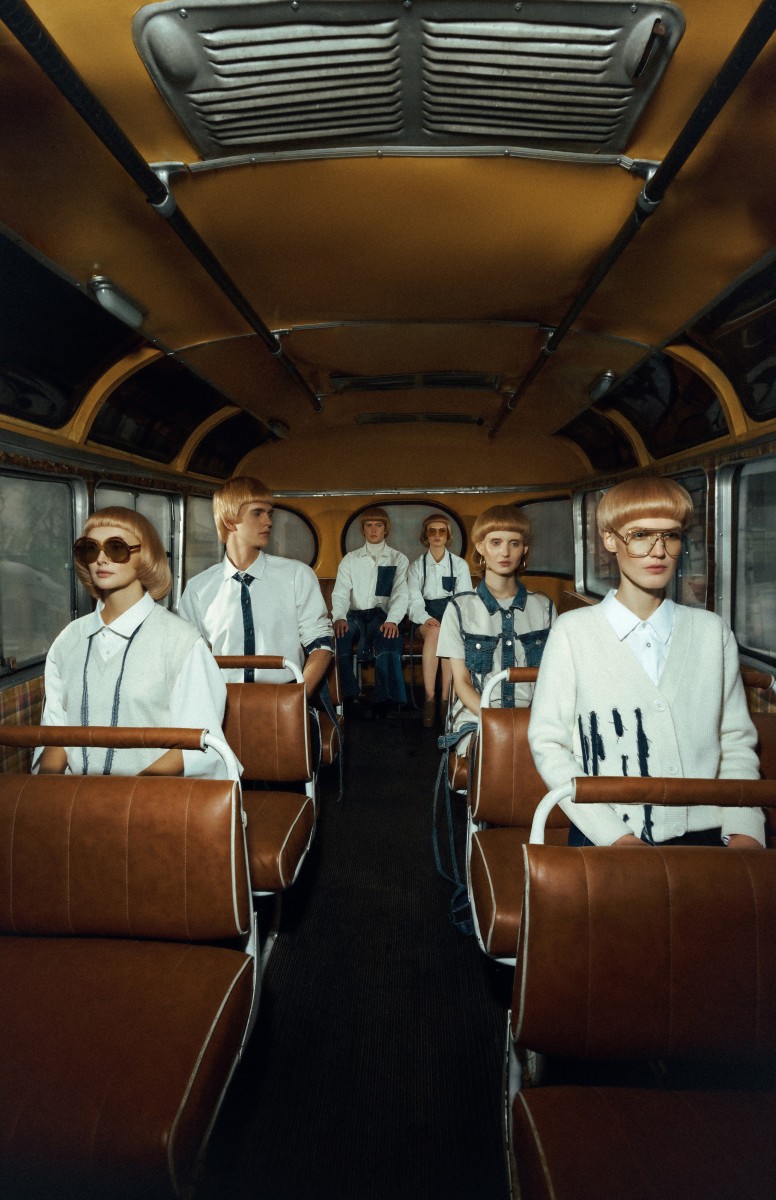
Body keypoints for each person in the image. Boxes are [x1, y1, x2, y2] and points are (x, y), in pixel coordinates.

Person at [528, 476, 765, 848]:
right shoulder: (573, 632)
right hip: (604, 836)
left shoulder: (711, 632)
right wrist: (615, 837)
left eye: (671, 536)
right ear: (610, 540)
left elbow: (734, 741)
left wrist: (744, 830)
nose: (658, 552)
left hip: (707, 836)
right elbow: (549, 744)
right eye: (640, 535)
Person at [35, 507, 228, 778]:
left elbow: (199, 745)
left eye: (116, 548)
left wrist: (123, 796)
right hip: (75, 796)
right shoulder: (67, 641)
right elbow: (57, 735)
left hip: (152, 795)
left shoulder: (182, 642)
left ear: (145, 556)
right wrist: (45, 794)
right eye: (90, 549)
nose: (101, 559)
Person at [178, 476, 334, 693]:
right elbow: (190, 657)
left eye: (270, 514)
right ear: (229, 521)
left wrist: (297, 698)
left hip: (285, 695)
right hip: (221, 698)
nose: (268, 522)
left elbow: (321, 644)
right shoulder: (198, 588)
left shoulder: (296, 575)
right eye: (257, 513)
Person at [436, 505, 555, 756]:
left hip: (534, 719)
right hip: (477, 718)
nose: (505, 552)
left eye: (514, 543)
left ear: (524, 549)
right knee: (496, 752)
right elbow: (462, 682)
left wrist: (531, 723)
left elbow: (553, 681)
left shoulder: (544, 607)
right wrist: (497, 721)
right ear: (481, 547)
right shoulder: (459, 608)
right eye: (496, 542)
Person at [331, 506, 409, 718]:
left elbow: (400, 594)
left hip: (382, 616)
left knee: (389, 639)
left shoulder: (398, 559)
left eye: (378, 525)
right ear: (363, 529)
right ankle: (347, 695)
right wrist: (339, 617)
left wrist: (393, 620)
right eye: (369, 525)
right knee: (340, 638)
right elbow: (340, 593)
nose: (373, 530)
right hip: (354, 616)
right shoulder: (350, 559)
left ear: (386, 529)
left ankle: (384, 700)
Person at [407, 513, 472, 727]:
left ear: (448, 535)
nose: (437, 535)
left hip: (452, 616)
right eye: (432, 531)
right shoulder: (417, 566)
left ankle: (445, 699)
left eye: (441, 531)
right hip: (424, 619)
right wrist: (426, 619)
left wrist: (451, 621)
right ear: (426, 535)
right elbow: (413, 600)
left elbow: (464, 599)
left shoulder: (459, 565)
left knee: (447, 632)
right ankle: (429, 699)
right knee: (436, 632)